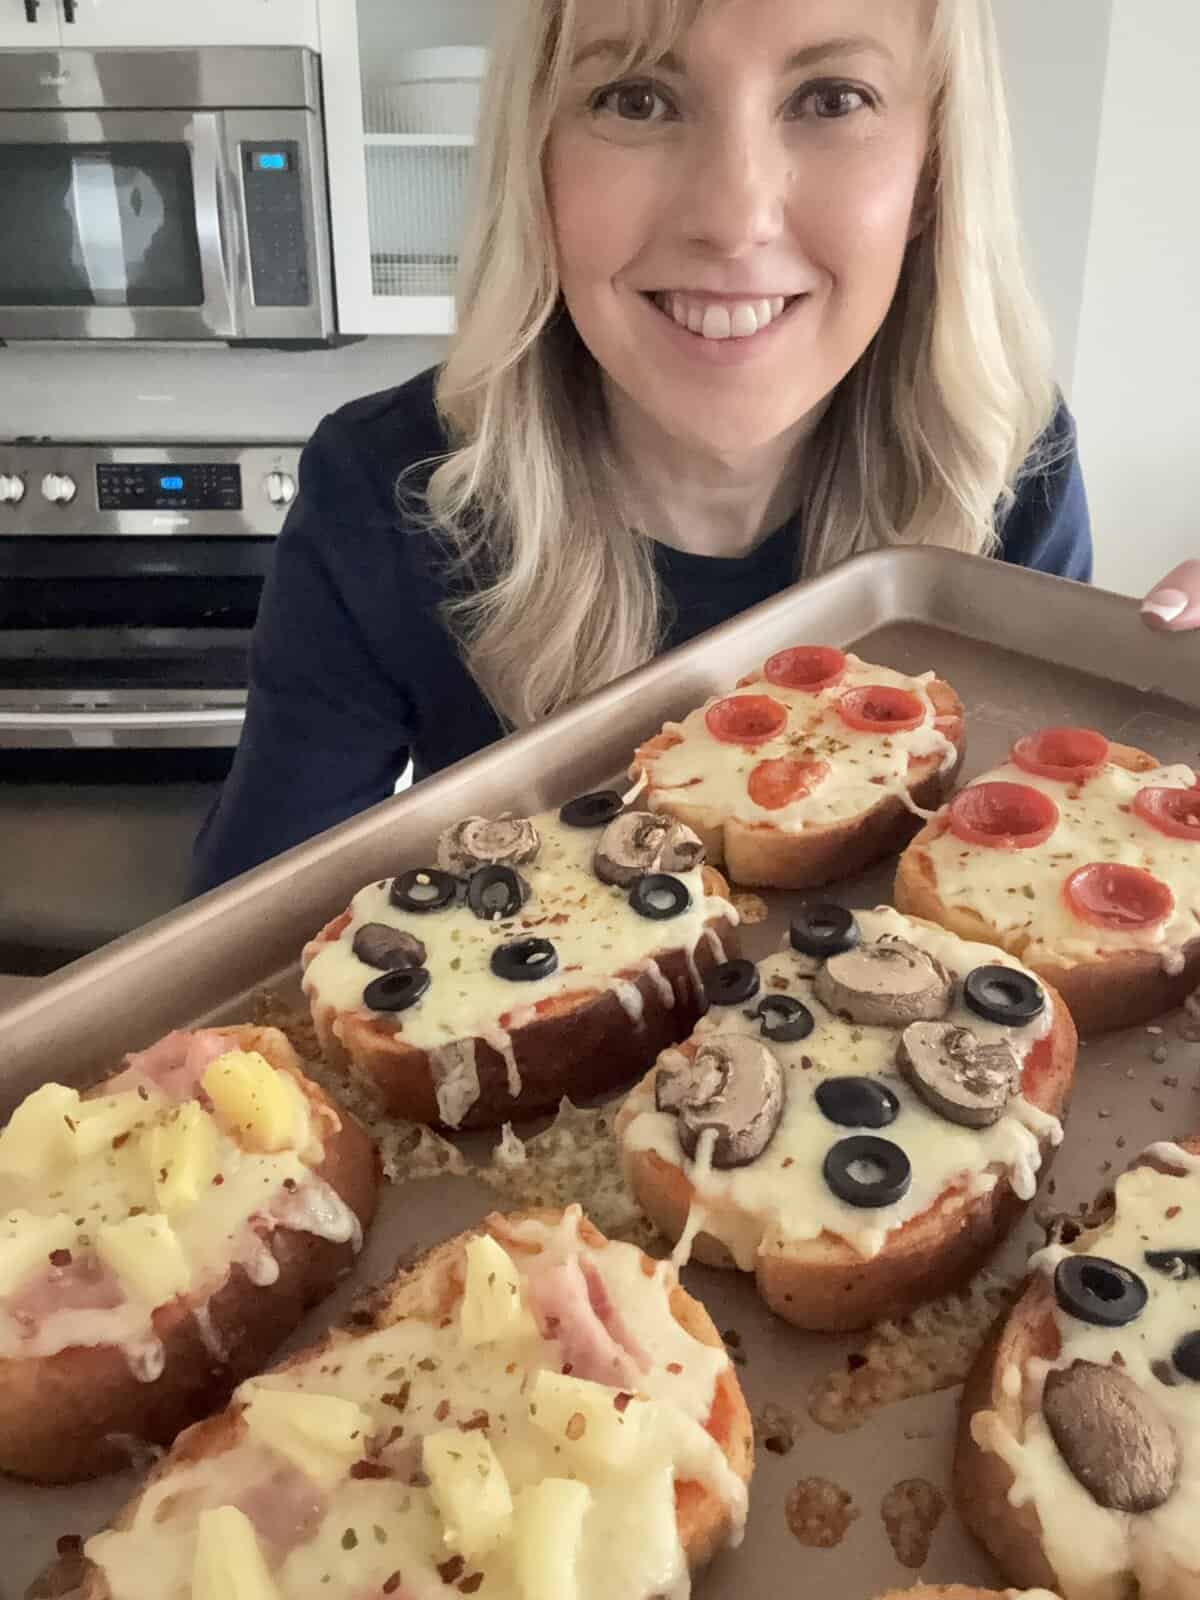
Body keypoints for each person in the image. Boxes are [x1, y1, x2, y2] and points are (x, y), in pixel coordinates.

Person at [191, 0, 1197, 895]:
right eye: (635, 99)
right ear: (533, 155)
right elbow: (239, 960)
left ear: (933, 169)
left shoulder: (1011, 460)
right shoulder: (381, 491)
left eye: (832, 96)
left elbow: (1034, 886)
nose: (734, 216)